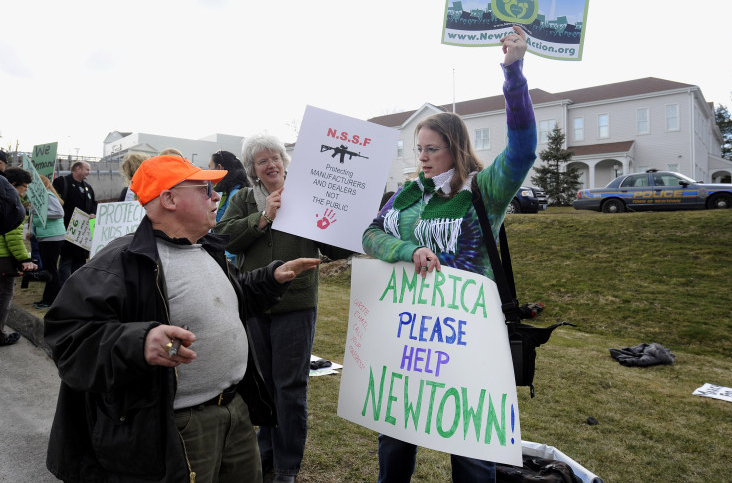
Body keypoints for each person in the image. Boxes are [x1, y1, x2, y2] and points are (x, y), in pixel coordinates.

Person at [44, 154, 321, 482]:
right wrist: (142, 341)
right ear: (169, 198)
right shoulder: (121, 262)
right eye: (205, 188)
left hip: (235, 412)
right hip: (179, 425)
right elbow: (67, 337)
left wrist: (270, 279)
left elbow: (229, 301)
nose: (216, 196)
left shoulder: (205, 248)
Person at [362, 26, 536, 483]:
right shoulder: (406, 195)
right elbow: (370, 235)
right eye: (417, 149)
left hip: (467, 335)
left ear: (454, 147)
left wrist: (513, 73)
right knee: (396, 430)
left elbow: (523, 150)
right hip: (410, 335)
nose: (422, 157)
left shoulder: (484, 189)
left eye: (431, 149)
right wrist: (408, 248)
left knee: (470, 441)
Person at [215, 134, 351, 483]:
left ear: (285, 161)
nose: (271, 164)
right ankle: (266, 455)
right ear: (253, 170)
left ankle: (287, 466)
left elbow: (334, 250)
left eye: (276, 157)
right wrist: (262, 217)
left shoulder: (308, 196)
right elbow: (222, 237)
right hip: (254, 302)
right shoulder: (245, 199)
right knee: (263, 384)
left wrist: (342, 222)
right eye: (263, 161)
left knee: (290, 387)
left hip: (296, 302)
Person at [0, 167, 38, 346]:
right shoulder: (12, 205)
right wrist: (26, 259)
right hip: (3, 261)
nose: (26, 191)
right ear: (13, 185)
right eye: (24, 187)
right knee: (4, 297)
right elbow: (13, 239)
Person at [52, 161, 97, 284]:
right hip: (67, 229)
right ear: (77, 169)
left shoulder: (88, 187)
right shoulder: (61, 183)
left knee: (80, 261)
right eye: (87, 169)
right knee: (66, 260)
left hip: (83, 232)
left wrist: (93, 213)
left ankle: (77, 287)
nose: (89, 172)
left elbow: (94, 203)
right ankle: (63, 288)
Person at [29, 175, 66, 309]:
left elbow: (59, 213)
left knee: (50, 270)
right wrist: (32, 231)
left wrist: (38, 213)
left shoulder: (48, 196)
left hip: (53, 237)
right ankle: (49, 299)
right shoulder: (41, 197)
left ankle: (50, 300)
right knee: (49, 269)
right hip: (47, 237)